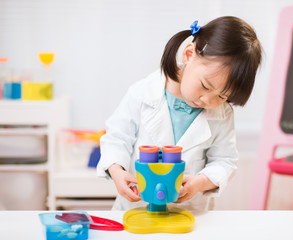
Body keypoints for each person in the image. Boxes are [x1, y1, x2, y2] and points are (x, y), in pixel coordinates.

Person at [97, 16, 262, 212]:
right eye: (205, 86)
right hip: (135, 209)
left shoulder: (222, 114)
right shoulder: (141, 94)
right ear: (189, 54)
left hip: (190, 214)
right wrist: (116, 170)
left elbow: (225, 160)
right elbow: (117, 138)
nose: (208, 100)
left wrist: (199, 183)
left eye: (223, 96)